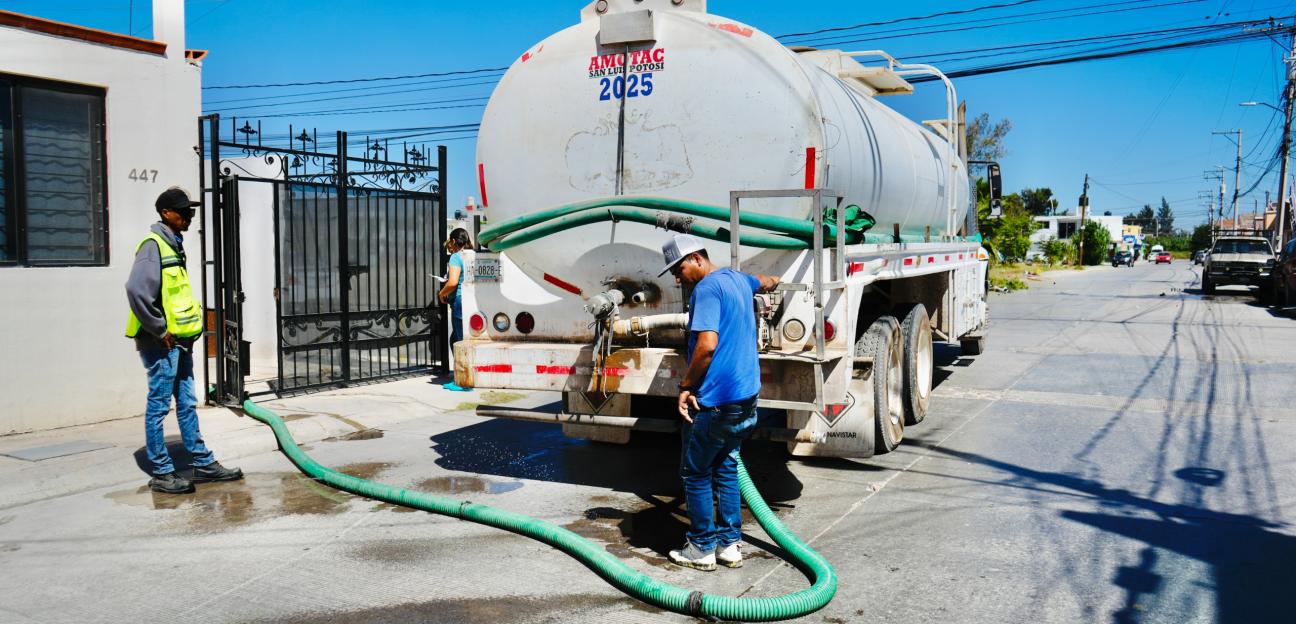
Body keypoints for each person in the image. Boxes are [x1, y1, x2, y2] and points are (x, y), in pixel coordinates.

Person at [659, 234, 780, 571]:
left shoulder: (707, 290)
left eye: (679, 268)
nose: (676, 277)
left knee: (696, 473)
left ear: (697, 258)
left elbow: (707, 346)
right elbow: (766, 281)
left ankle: (701, 547)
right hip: (746, 398)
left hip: (716, 402)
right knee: (726, 467)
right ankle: (729, 545)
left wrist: (686, 385)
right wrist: (778, 280)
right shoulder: (738, 279)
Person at [125, 187, 243, 495]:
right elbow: (137, 291)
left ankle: (202, 462)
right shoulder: (153, 246)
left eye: (191, 211)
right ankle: (162, 472)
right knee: (159, 405)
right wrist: (159, 330)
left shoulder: (173, 245)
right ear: (166, 213)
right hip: (161, 342)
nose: (190, 216)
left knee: (188, 404)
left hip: (180, 340)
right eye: (184, 211)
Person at [438, 228, 473, 392]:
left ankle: (464, 382)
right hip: (472, 301)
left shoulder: (455, 257)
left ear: (453, 241)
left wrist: (441, 293)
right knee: (457, 340)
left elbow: (452, 283)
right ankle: (463, 375)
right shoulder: (472, 255)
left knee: (460, 343)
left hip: (459, 301)